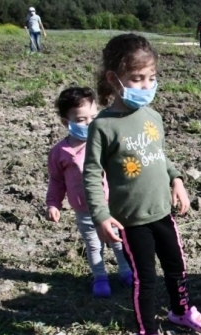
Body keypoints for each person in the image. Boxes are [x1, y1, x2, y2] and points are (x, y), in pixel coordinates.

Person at [84, 34, 201, 335]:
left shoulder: (152, 117)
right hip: (131, 219)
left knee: (176, 267)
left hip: (162, 212)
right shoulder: (103, 126)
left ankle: (181, 311)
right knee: (146, 278)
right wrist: (100, 216)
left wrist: (177, 180)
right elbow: (91, 175)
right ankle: (147, 333)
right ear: (115, 80)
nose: (146, 85)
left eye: (151, 78)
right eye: (137, 79)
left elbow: (159, 157)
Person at [46, 87, 132, 298]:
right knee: (94, 246)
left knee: (119, 241)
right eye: (81, 119)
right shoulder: (61, 152)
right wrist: (53, 203)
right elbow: (56, 181)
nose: (89, 123)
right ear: (67, 123)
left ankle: (126, 272)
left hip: (111, 206)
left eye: (94, 117)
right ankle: (100, 277)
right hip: (85, 210)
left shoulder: (105, 142)